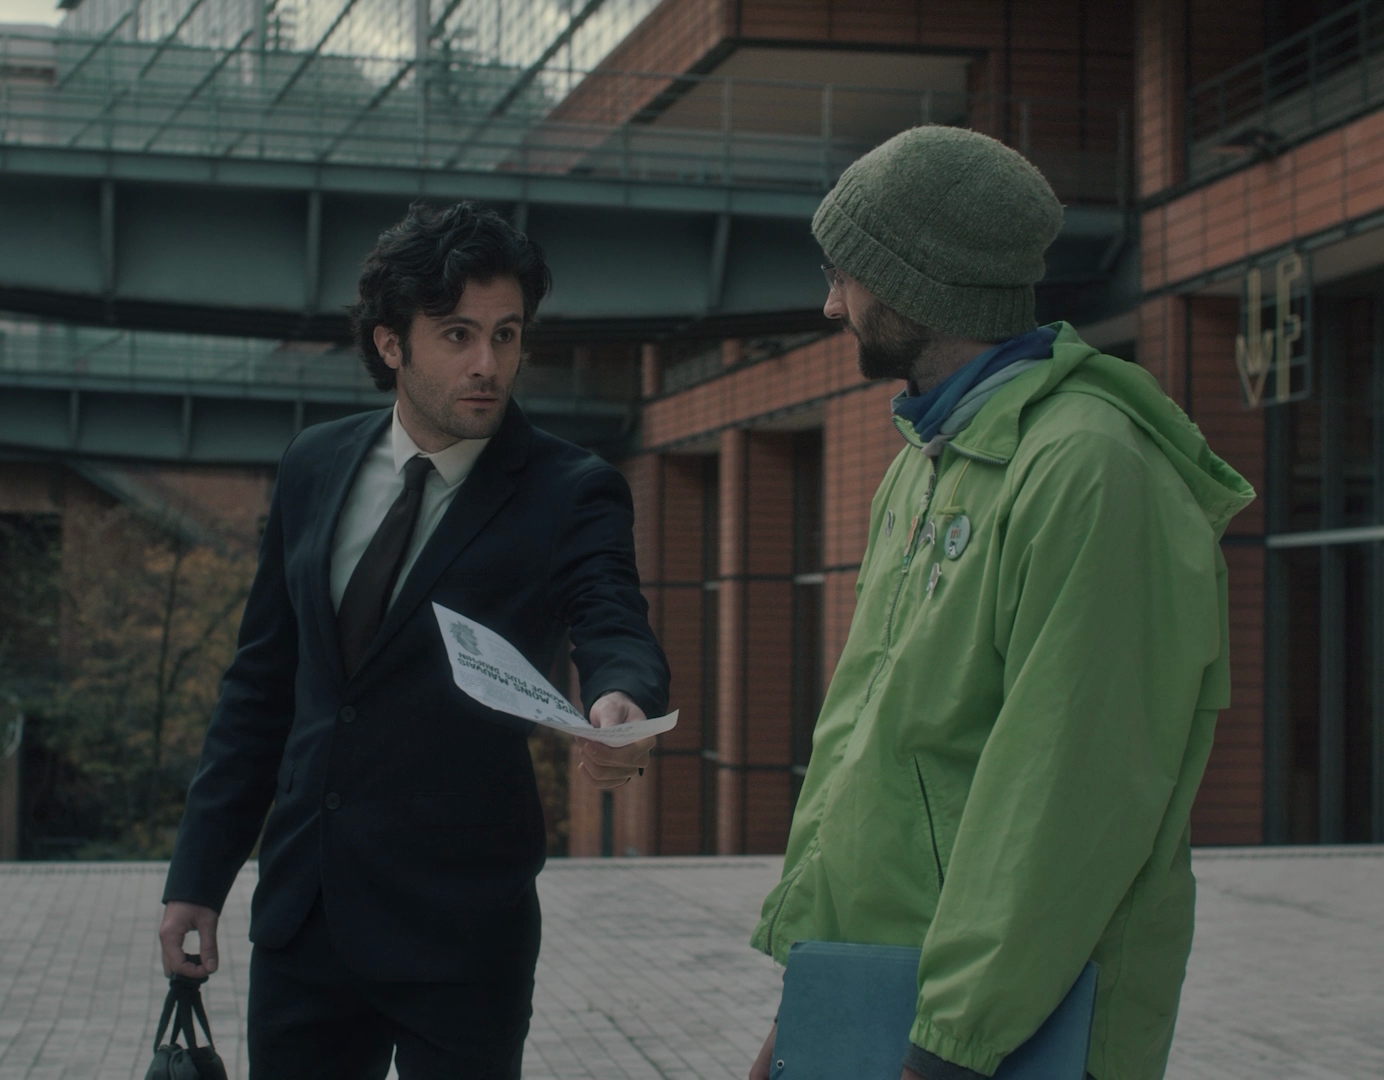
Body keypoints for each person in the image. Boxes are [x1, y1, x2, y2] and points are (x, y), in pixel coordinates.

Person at [748, 126, 1254, 1080]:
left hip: (1001, 1035)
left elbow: (1067, 792)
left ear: (912, 286)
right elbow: (869, 752)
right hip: (884, 1003)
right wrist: (808, 1000)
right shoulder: (927, 464)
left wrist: (952, 1042)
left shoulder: (1089, 469)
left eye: (843, 275)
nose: (829, 305)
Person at [158, 201, 669, 1079]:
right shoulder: (315, 465)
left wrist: (620, 696)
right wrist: (197, 878)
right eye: (458, 334)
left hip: (462, 931)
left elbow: (612, 615)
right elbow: (261, 685)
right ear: (391, 343)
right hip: (305, 920)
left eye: (506, 335)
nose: (487, 364)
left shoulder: (569, 489)